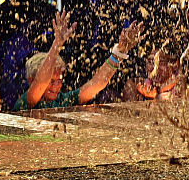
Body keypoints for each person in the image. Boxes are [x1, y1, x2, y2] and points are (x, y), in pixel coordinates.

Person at [13, 10, 142, 110]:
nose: (57, 86)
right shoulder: (26, 102)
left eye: (59, 80)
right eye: (51, 81)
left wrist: (119, 52)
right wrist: (57, 44)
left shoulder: (63, 100)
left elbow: (96, 84)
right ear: (31, 80)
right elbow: (40, 83)